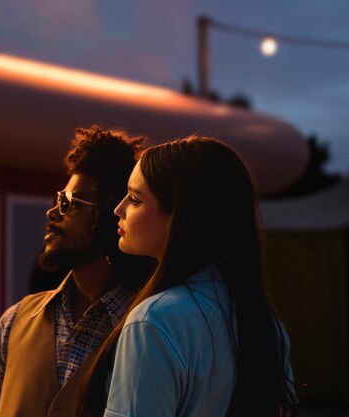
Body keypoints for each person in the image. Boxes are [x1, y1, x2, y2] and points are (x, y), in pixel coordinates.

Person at [78, 137, 299, 417]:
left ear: (181, 217)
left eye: (134, 199)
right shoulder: (265, 323)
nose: (118, 209)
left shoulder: (154, 321)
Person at [0, 126, 155, 417]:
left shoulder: (148, 327)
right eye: (58, 200)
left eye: (68, 203)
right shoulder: (14, 322)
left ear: (108, 215)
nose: (52, 213)